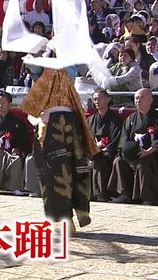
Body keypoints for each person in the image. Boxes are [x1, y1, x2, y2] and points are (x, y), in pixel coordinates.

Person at [20, 68, 98, 231]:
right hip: (72, 122)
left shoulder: (46, 74)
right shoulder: (67, 75)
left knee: (55, 172)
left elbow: (31, 106)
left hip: (52, 125)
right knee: (77, 165)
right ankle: (81, 208)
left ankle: (65, 219)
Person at [108, 88, 158, 205]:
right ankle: (124, 193)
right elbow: (124, 138)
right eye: (136, 98)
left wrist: (148, 151)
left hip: (152, 153)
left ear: (151, 100)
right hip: (134, 152)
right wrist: (126, 152)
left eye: (142, 98)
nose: (138, 101)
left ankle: (147, 196)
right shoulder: (130, 119)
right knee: (118, 161)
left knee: (144, 163)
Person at [87, 90, 123, 202]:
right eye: (95, 99)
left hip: (108, 151)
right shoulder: (90, 120)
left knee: (99, 160)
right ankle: (87, 193)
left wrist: (103, 148)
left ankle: (102, 194)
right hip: (92, 151)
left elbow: (117, 138)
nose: (97, 101)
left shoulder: (115, 119)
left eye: (100, 98)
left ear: (108, 99)